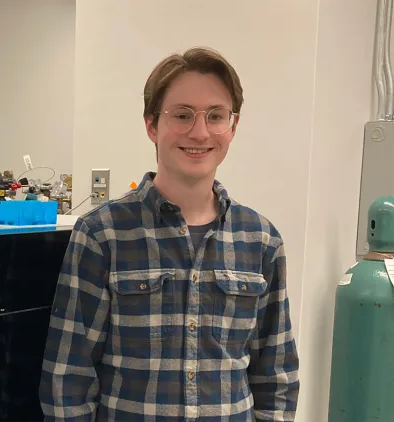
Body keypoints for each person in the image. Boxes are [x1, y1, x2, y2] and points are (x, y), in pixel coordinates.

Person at [39, 47, 300, 421]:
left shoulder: (261, 240)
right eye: (182, 115)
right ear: (151, 125)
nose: (200, 131)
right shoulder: (102, 235)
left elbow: (276, 376)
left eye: (215, 116)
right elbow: (68, 378)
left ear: (233, 126)